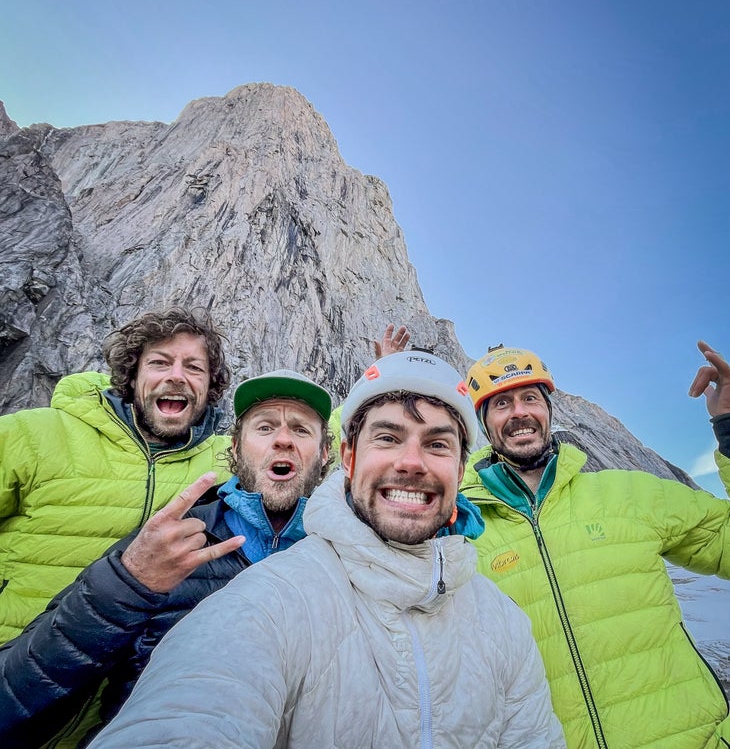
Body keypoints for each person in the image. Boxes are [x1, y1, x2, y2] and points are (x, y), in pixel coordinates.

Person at [86, 351, 565, 749]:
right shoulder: (270, 600)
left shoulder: (502, 622)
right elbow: (189, 715)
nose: (412, 462)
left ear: (461, 470)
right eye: (388, 438)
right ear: (350, 458)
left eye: (438, 445)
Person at [0, 368, 333, 749]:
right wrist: (127, 582)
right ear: (237, 447)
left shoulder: (343, 556)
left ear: (325, 454)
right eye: (265, 427)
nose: (284, 440)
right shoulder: (163, 542)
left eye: (302, 430)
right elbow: (18, 694)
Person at [460, 341, 730, 749]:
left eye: (530, 397)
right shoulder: (462, 529)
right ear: (484, 424)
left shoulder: (630, 494)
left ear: (549, 410)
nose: (519, 413)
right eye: (500, 404)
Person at [0, 305, 232, 644]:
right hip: (17, 664)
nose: (177, 376)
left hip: (132, 686)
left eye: (194, 367)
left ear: (210, 384)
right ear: (132, 374)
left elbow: (319, 442)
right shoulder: (33, 434)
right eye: (159, 362)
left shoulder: (227, 460)